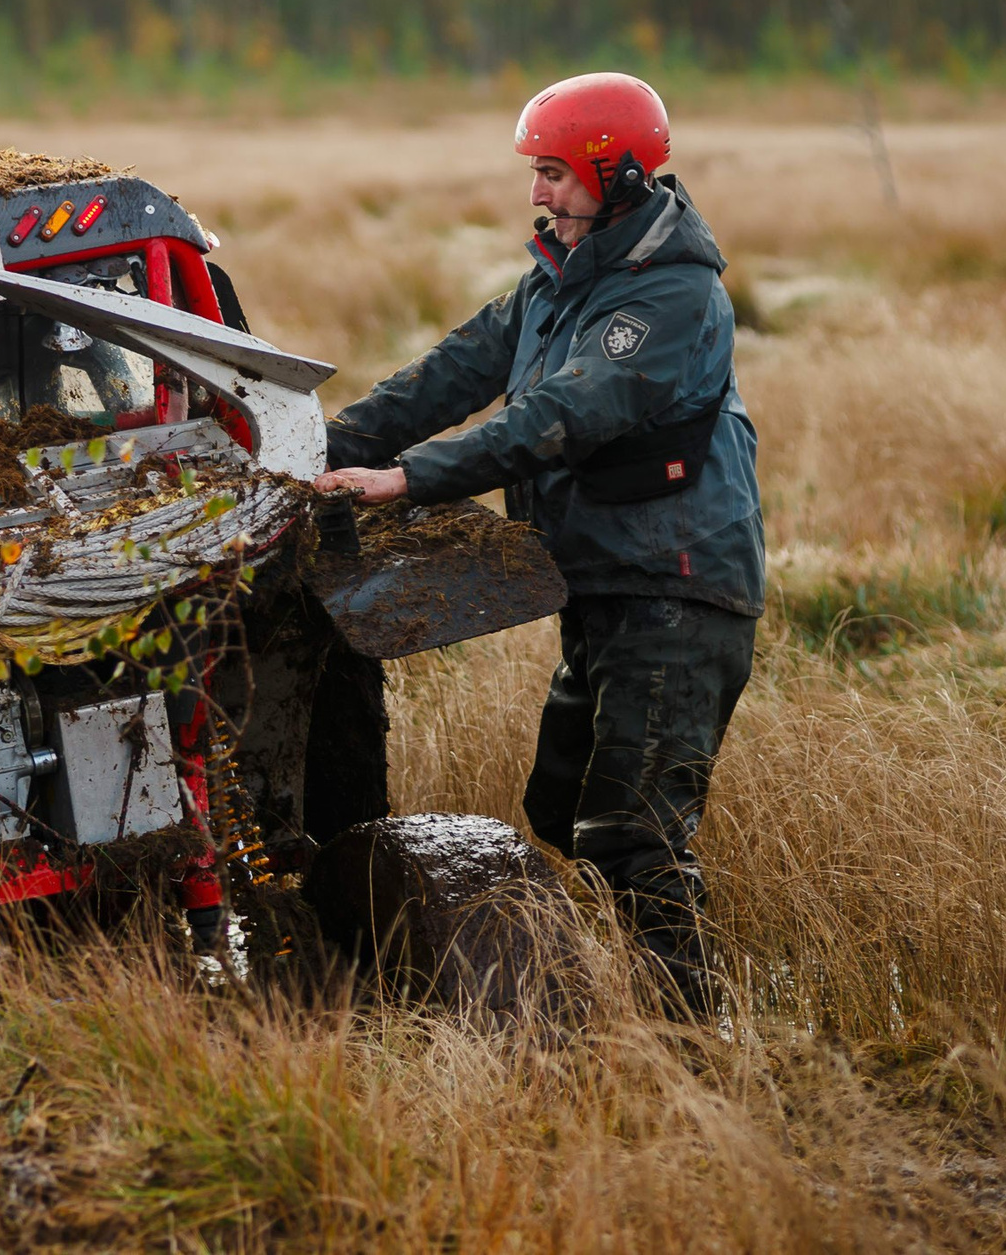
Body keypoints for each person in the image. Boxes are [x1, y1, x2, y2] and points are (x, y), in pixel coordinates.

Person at [313, 71, 764, 1017]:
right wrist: (317, 451)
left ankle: (695, 1041)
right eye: (535, 172)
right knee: (561, 811)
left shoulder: (671, 297)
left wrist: (410, 478)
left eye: (556, 173)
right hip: (605, 587)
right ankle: (617, 1001)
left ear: (621, 174)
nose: (538, 194)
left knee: (633, 835)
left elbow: (565, 414)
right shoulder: (559, 280)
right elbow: (449, 374)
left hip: (676, 594)